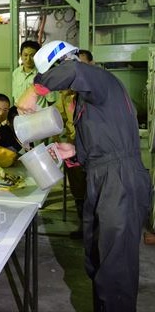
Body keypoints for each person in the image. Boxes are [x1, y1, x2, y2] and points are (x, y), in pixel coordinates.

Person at [16, 40, 151, 312]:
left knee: (116, 270)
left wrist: (34, 91)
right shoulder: (88, 99)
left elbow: (75, 72)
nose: (64, 88)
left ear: (64, 62)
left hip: (119, 179)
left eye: (55, 73)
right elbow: (102, 141)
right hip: (102, 177)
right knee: (96, 259)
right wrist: (74, 152)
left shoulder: (99, 79)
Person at [53, 48, 94, 239]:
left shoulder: (98, 91)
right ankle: (84, 226)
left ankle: (97, 228)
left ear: (92, 66)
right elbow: (58, 117)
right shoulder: (67, 94)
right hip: (73, 144)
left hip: (95, 146)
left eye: (83, 66)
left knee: (94, 188)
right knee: (78, 187)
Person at [12, 40, 56, 108]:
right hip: (21, 115)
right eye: (25, 55)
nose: (28, 59)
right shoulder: (16, 73)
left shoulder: (44, 74)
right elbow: (15, 98)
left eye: (32, 55)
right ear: (20, 55)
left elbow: (51, 100)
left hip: (38, 115)